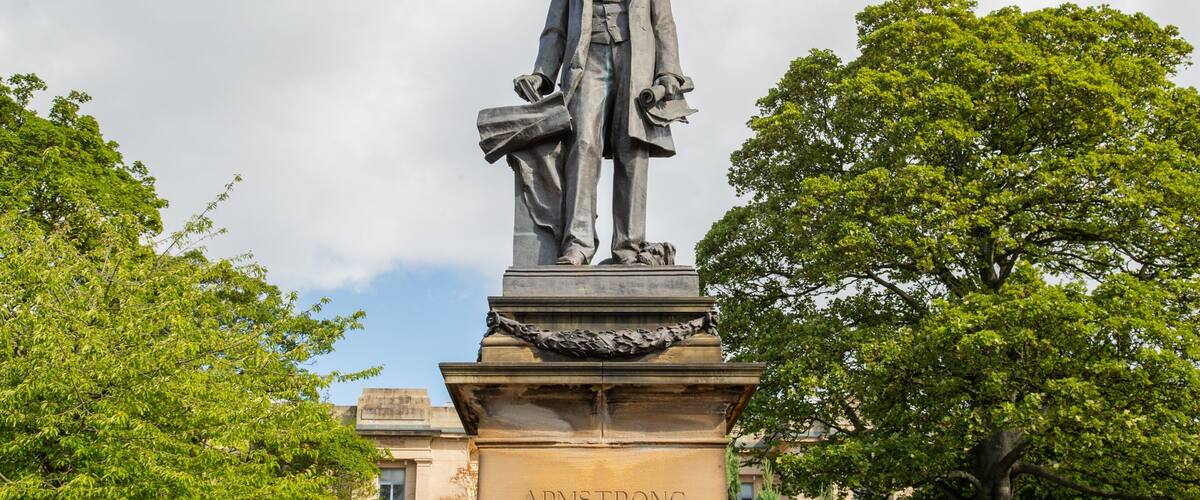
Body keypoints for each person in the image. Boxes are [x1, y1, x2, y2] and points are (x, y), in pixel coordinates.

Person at [514, 0, 688, 266]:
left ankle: (628, 248)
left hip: (637, 59)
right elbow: (555, 29)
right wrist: (542, 74)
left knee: (632, 149)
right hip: (586, 60)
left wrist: (668, 72)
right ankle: (578, 244)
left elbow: (663, 22)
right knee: (583, 145)